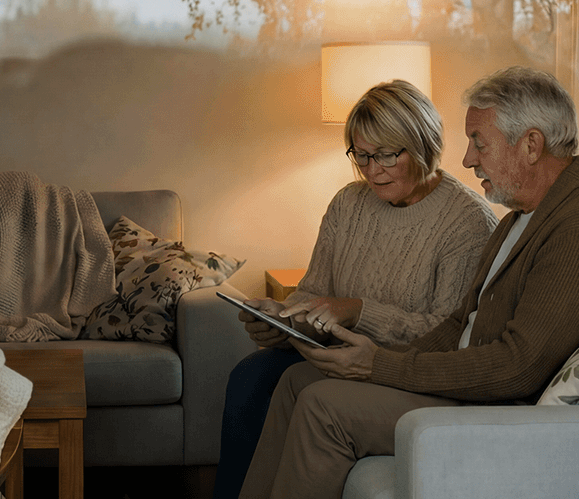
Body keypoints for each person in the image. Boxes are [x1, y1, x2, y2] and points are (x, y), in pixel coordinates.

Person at [236, 66, 579, 499]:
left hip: (494, 410)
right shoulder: (522, 217)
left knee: (322, 406)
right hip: (466, 390)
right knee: (297, 381)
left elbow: (520, 366)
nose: (467, 159)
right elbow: (457, 325)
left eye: (478, 143)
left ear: (531, 145)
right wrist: (371, 359)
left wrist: (382, 366)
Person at [213, 79, 496, 499]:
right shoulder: (348, 203)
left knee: (290, 385)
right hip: (338, 356)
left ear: (421, 144)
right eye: (361, 155)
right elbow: (312, 293)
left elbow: (446, 333)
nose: (372, 169)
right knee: (250, 377)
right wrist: (282, 322)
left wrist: (359, 311)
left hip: (399, 368)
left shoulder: (467, 222)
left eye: (386, 154)